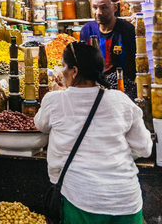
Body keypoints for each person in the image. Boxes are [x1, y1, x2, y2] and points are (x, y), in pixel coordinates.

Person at [34, 42, 152, 224]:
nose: (61, 71)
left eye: (63, 66)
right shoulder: (120, 100)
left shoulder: (55, 101)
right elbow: (145, 149)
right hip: (126, 199)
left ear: (74, 71)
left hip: (81, 199)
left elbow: (40, 125)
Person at [79, 0, 136, 95]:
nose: (98, 12)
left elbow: (138, 62)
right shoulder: (87, 30)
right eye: (95, 7)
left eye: (103, 7)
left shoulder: (128, 30)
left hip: (124, 91)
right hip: (95, 91)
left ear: (115, 8)